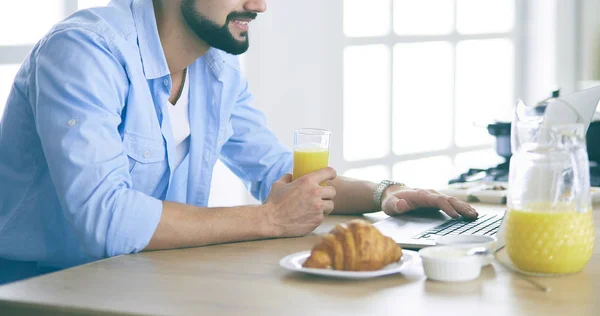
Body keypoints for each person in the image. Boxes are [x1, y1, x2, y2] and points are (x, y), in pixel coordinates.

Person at [0, 0, 477, 283]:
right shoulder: (84, 52)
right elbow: (104, 219)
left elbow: (277, 174)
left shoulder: (216, 67)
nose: (261, 3)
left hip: (143, 279)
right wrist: (269, 219)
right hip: (40, 288)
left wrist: (384, 194)